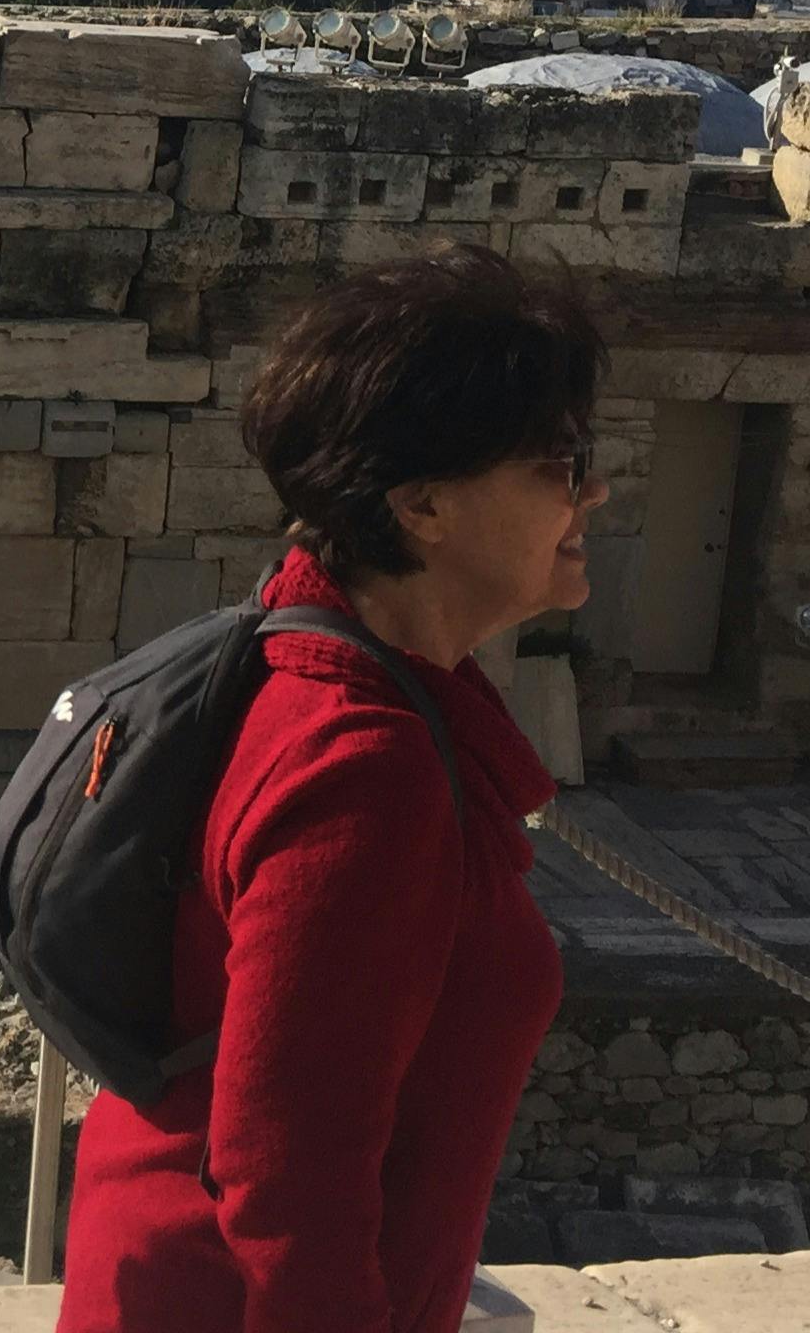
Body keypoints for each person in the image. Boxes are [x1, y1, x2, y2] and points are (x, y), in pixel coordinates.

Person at [57, 245, 594, 1333]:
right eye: (560, 461)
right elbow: (285, 1174)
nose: (594, 492)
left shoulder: (317, 657)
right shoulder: (365, 767)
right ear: (425, 505)